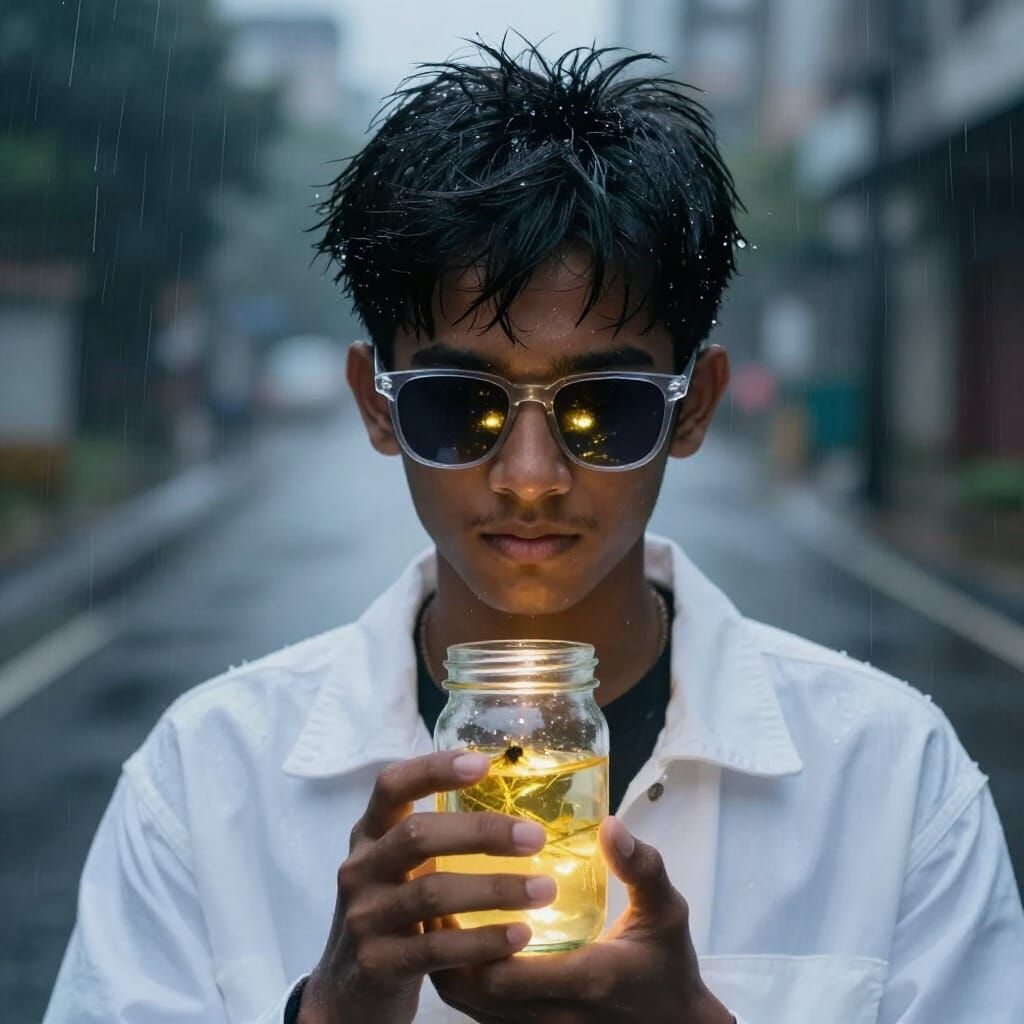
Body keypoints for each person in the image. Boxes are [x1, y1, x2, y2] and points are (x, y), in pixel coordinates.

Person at [45, 39, 1024, 1024]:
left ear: (693, 407)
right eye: (457, 404)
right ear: (376, 405)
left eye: (603, 408)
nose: (528, 478)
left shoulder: (891, 779)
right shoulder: (209, 778)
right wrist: (330, 1010)